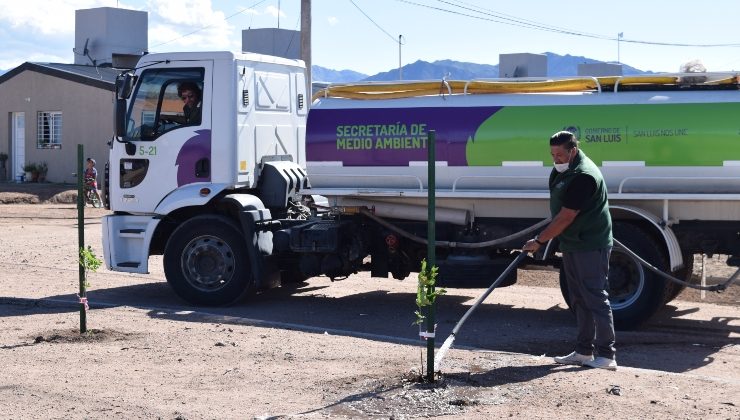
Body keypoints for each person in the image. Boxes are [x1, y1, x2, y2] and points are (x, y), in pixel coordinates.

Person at [522, 130, 616, 371]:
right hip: (574, 243)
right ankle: (584, 351)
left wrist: (540, 241)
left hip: (590, 244)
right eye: (552, 155)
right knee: (579, 298)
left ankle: (606, 355)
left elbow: (566, 216)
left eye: (560, 155)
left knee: (595, 296)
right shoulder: (565, 170)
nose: (556, 160)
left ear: (573, 150)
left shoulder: (584, 175)